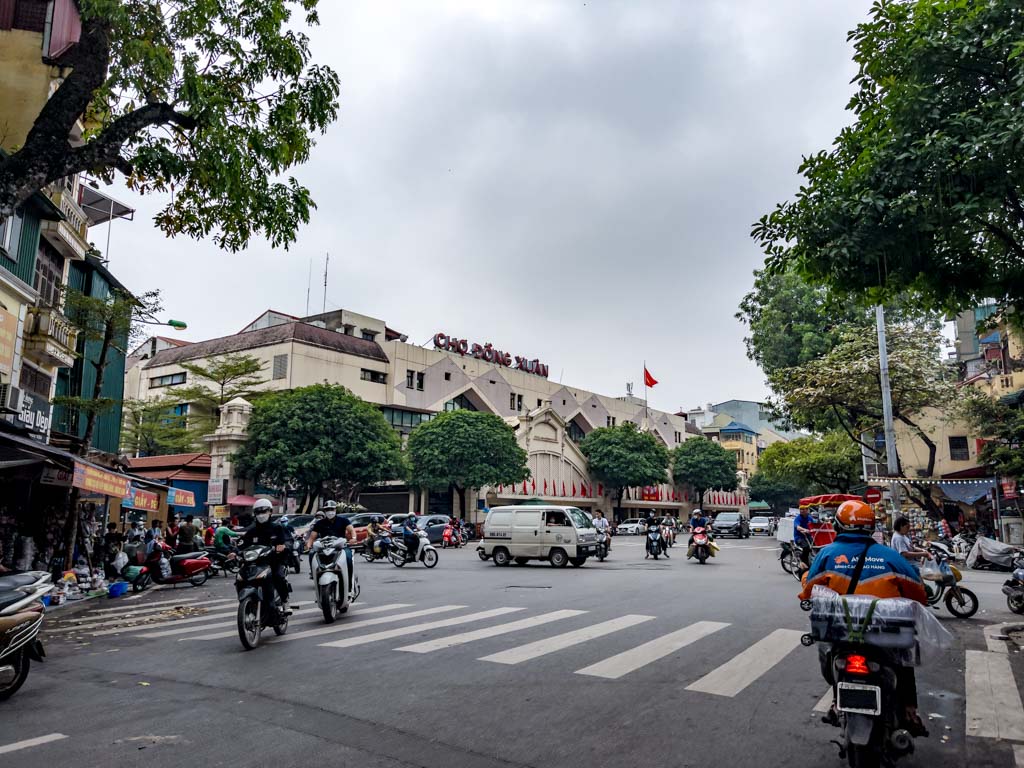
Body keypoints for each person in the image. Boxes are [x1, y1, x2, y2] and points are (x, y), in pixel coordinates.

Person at [799, 500, 929, 737]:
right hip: (886, 635)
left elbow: (807, 591)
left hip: (841, 632)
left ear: (838, 526)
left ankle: (837, 700)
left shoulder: (827, 554)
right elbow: (919, 594)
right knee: (904, 664)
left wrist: (808, 576)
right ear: (871, 528)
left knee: (827, 653)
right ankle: (910, 711)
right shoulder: (890, 556)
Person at [240, 499, 293, 612]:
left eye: (264, 511)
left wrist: (283, 546)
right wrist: (233, 552)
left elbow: (288, 540)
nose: (261, 515)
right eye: (258, 512)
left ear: (270, 512)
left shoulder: (278, 528)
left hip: (273, 562)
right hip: (254, 563)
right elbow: (242, 544)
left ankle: (285, 601)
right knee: (240, 577)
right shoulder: (251, 531)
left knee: (278, 576)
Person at [305, 502, 355, 592]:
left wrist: (353, 538)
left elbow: (351, 530)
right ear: (324, 511)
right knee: (312, 554)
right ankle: (314, 574)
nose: (330, 512)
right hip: (324, 547)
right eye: (328, 510)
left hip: (341, 547)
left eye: (332, 509)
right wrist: (308, 545)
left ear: (335, 510)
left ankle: (349, 586)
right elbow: (312, 537)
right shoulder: (320, 523)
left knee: (348, 557)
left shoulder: (343, 520)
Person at [793, 506, 817, 571]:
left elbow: (813, 525)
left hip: (808, 536)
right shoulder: (798, 518)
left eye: (804, 509)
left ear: (808, 510)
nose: (802, 511)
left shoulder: (810, 518)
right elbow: (797, 527)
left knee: (816, 546)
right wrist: (805, 530)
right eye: (801, 509)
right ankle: (804, 563)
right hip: (799, 537)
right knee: (806, 548)